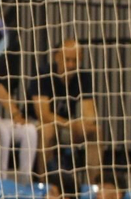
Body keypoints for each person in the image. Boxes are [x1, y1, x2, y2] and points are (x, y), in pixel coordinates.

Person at [32, 38, 101, 182]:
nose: (70, 65)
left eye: (75, 61)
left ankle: (94, 185)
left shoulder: (83, 77)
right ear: (57, 57)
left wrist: (83, 125)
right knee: (47, 130)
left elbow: (90, 114)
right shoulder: (43, 74)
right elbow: (43, 115)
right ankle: (44, 183)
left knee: (96, 131)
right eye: (67, 60)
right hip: (36, 124)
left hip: (65, 126)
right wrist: (71, 125)